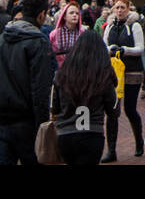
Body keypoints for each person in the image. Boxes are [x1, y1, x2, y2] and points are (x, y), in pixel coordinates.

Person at [0, 0, 54, 166]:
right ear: (41, 15)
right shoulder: (38, 43)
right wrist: (41, 124)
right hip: (25, 121)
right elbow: (41, 89)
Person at [51, 31, 119, 165]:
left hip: (66, 134)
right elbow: (114, 111)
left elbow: (54, 108)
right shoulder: (103, 75)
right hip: (92, 133)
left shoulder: (61, 74)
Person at [101, 0, 145, 161]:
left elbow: (140, 48)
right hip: (113, 73)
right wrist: (110, 49)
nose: (119, 11)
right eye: (117, 8)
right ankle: (111, 150)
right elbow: (104, 45)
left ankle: (139, 141)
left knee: (130, 109)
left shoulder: (134, 26)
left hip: (132, 72)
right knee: (112, 111)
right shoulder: (109, 26)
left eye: (122, 8)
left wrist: (125, 49)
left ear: (128, 9)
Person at [50, 0, 87, 68]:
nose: (74, 15)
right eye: (71, 13)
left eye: (77, 13)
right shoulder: (54, 34)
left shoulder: (83, 34)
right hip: (59, 70)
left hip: (77, 71)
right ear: (64, 16)